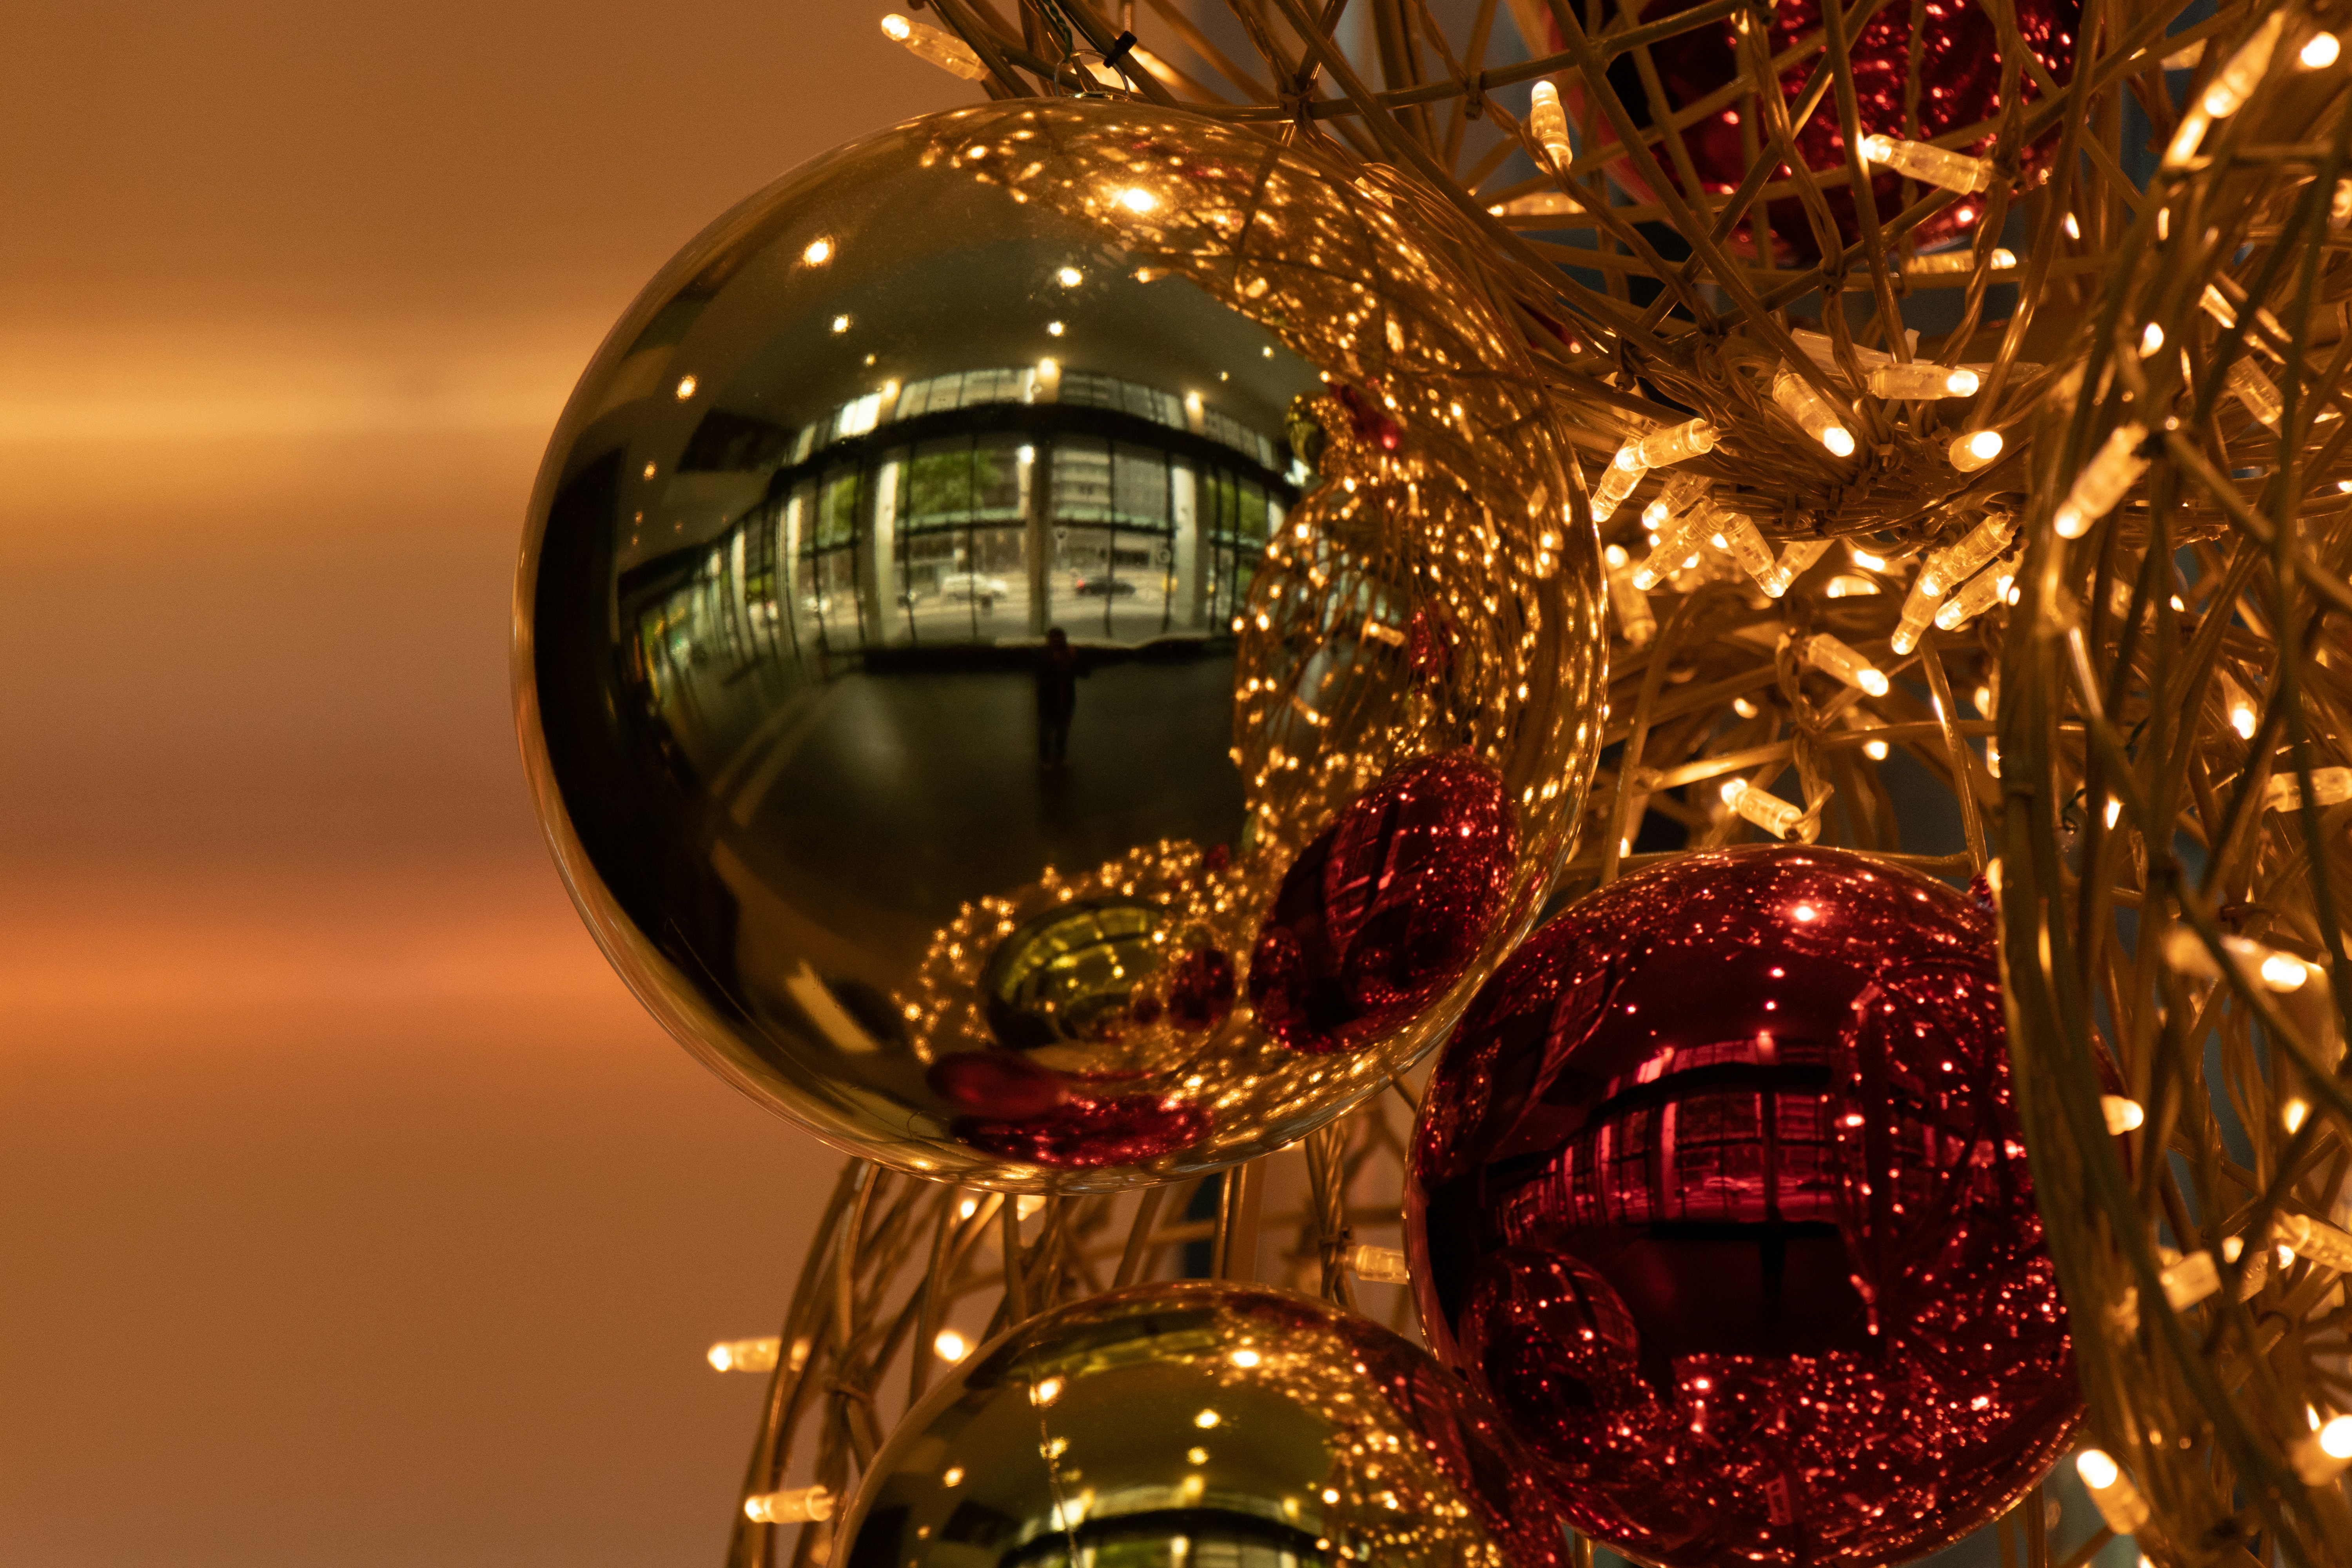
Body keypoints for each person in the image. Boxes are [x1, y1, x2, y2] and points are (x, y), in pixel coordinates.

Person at [1035, 627, 1082, 764]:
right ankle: (1046, 758)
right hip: (1048, 701)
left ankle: (1060, 755)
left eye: (1060, 638)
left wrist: (1074, 659)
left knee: (1062, 731)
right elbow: (1041, 676)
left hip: (1065, 700)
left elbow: (1085, 673)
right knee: (1046, 731)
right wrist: (1056, 663)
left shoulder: (1070, 654)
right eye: (1054, 639)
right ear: (1049, 641)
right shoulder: (1043, 655)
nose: (1057, 642)